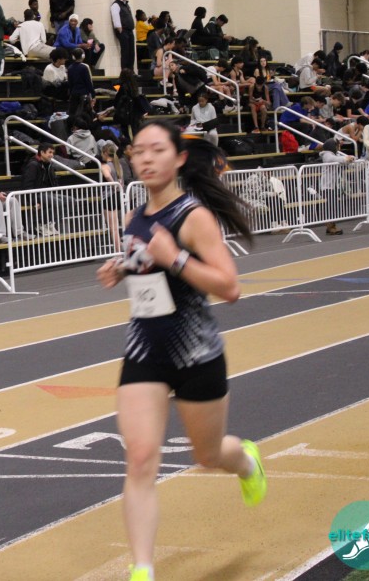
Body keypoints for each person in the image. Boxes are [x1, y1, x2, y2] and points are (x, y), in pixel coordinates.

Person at [95, 120, 266, 581]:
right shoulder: (134, 218)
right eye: (138, 151)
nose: (146, 159)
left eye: (157, 150)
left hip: (196, 354)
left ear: (180, 158)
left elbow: (229, 287)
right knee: (140, 459)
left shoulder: (194, 217)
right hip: (144, 351)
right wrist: (121, 269)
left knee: (207, 456)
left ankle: (245, 460)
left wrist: (176, 257)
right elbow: (147, 272)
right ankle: (142, 570)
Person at [318, 137, 355, 235]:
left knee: (333, 205)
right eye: (337, 146)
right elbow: (336, 159)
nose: (338, 148)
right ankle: (331, 227)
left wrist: (349, 159)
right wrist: (346, 158)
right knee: (331, 206)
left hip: (333, 185)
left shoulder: (334, 154)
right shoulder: (327, 155)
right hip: (327, 185)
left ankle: (331, 226)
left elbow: (344, 161)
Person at [99, 141, 125, 252]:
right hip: (117, 196)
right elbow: (121, 180)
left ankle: (117, 252)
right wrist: (118, 187)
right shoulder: (118, 165)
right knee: (116, 225)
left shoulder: (105, 166)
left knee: (112, 227)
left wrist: (113, 185)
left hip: (109, 197)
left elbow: (107, 175)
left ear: (105, 153)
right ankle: (119, 247)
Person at [111, 0, 136, 72]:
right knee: (125, 52)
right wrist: (120, 29)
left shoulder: (126, 4)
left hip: (129, 31)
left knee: (131, 52)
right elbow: (115, 17)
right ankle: (125, 72)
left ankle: (131, 71)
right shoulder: (116, 5)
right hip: (123, 31)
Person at [67, 49, 95, 119]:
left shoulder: (70, 68)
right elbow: (88, 82)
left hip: (74, 93)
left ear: (73, 57)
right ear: (83, 56)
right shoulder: (84, 67)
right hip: (83, 93)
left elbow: (70, 83)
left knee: (73, 114)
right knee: (85, 115)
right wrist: (93, 94)